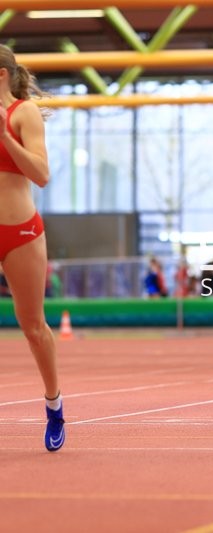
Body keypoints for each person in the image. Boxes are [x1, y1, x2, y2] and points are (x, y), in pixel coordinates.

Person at [0, 45, 65, 451]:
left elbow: (41, 174)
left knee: (33, 327)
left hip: (19, 232)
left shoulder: (22, 113)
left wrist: (4, 137)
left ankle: (54, 404)